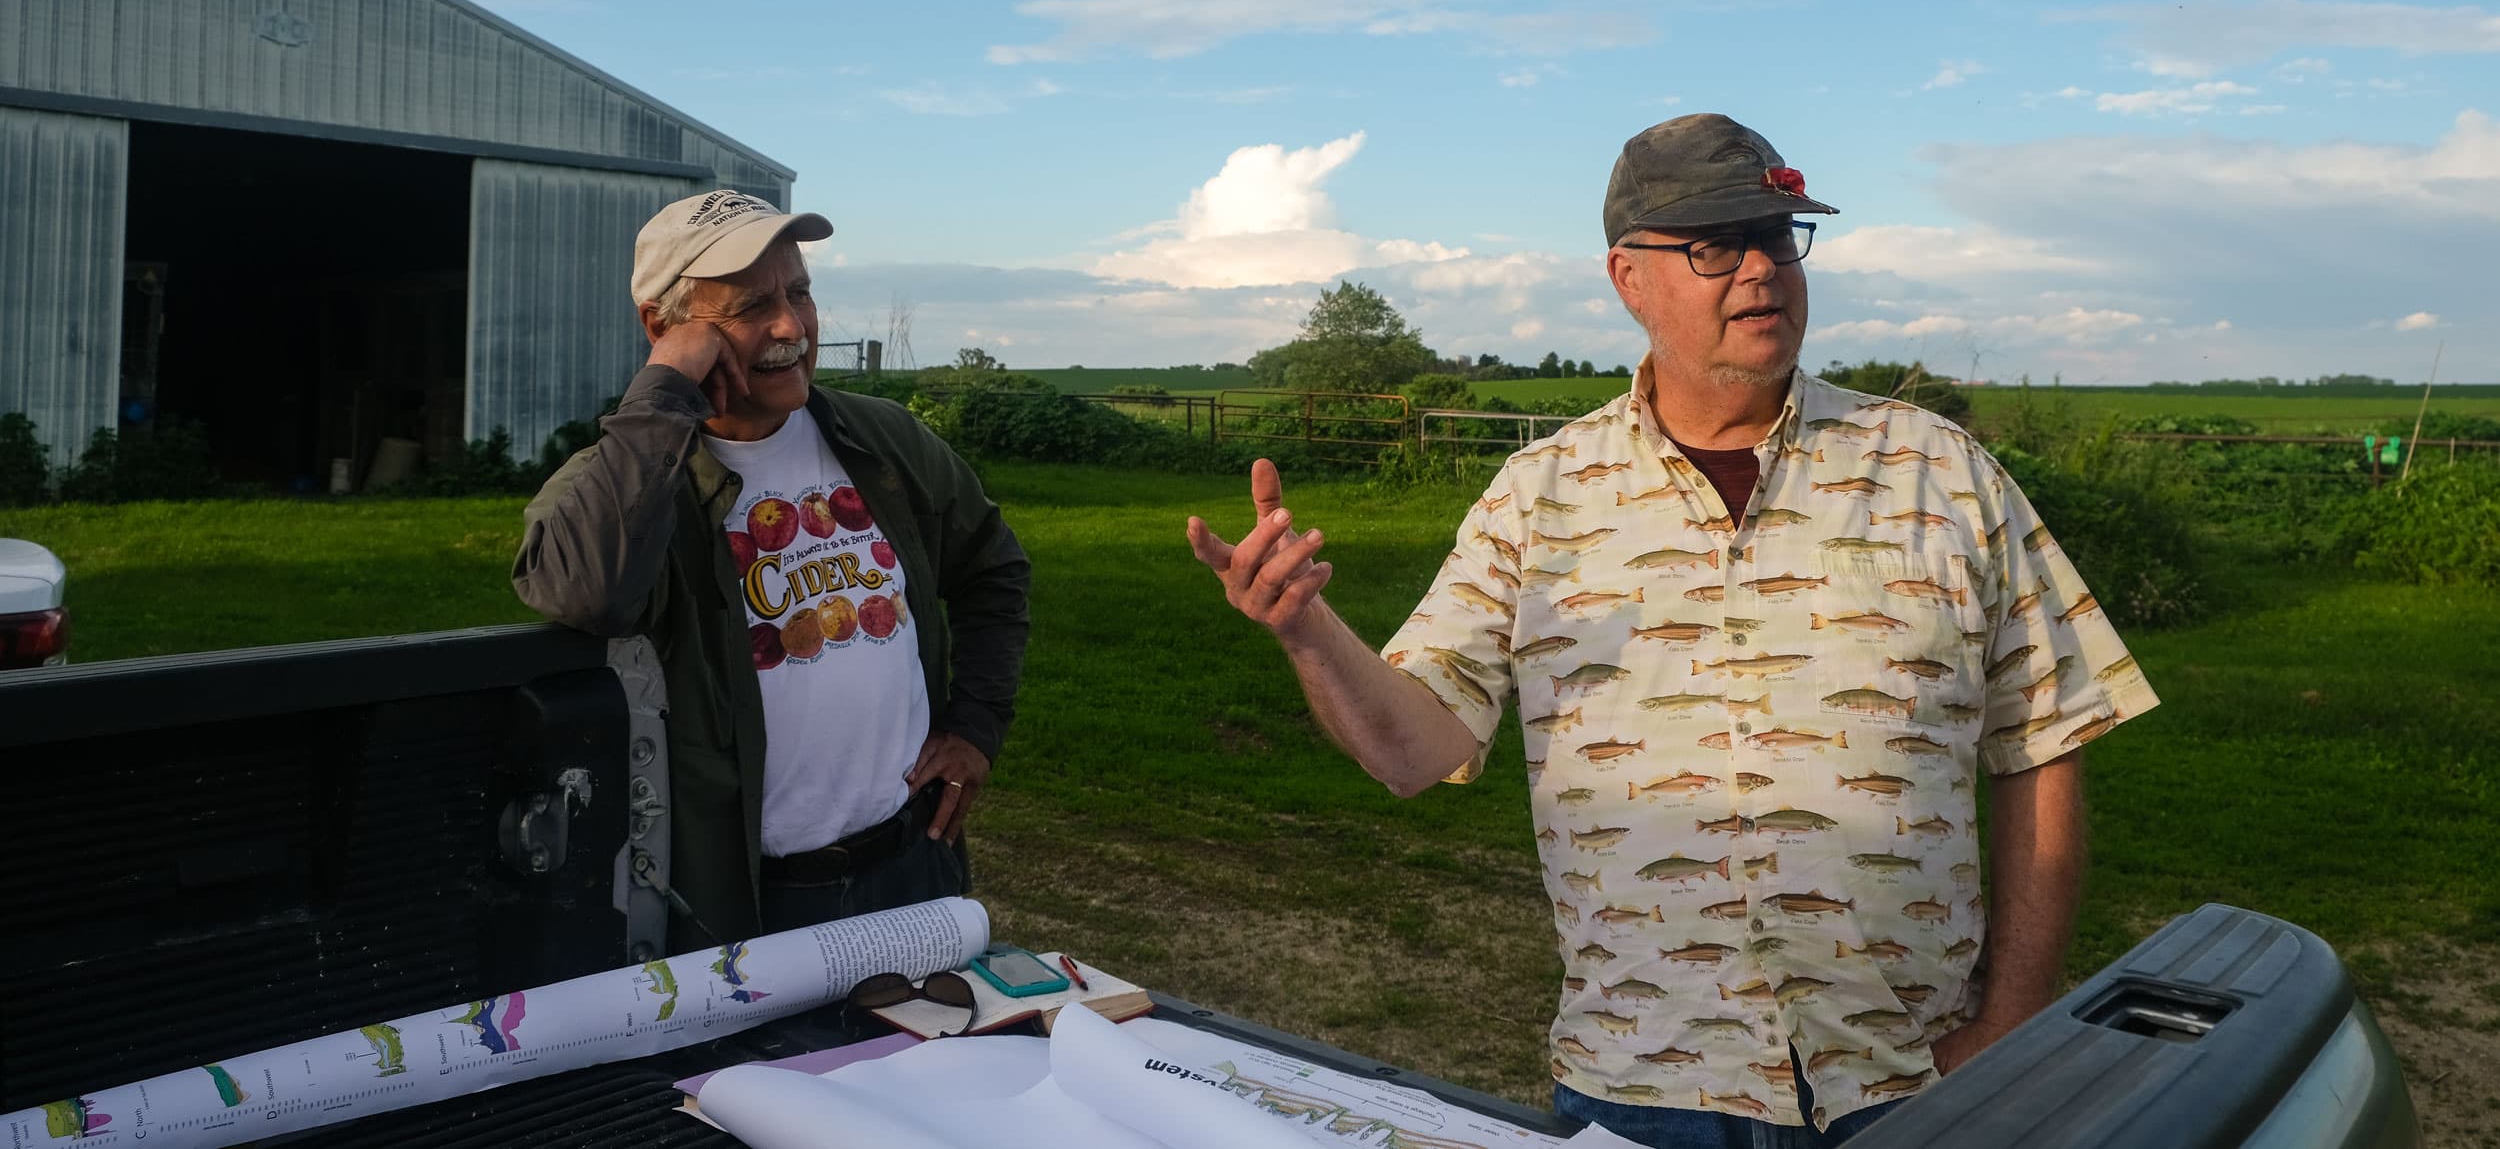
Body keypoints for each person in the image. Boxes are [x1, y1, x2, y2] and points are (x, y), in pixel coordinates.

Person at [1188, 115, 2161, 1147]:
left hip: (1911, 1078)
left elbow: (2046, 741)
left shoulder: (1940, 472)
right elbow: (1412, 749)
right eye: (1714, 244)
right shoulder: (1542, 493)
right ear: (1627, 276)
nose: (1759, 269)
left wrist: (2010, 1019)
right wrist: (1307, 631)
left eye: (1776, 236)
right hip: (1642, 1080)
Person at [515, 188, 1030, 948]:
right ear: (664, 327)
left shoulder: (881, 441)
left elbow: (994, 568)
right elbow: (585, 591)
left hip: (912, 864)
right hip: (750, 905)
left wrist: (975, 723)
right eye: (754, 304)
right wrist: (663, 393)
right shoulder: (632, 479)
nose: (791, 325)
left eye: (800, 291)